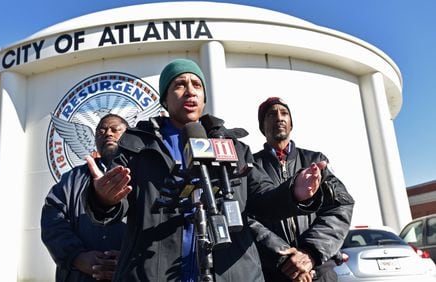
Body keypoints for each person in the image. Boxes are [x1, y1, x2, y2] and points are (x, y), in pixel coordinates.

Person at [84, 58, 328, 282]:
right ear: (164, 100)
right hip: (154, 272)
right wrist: (102, 199)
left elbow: (261, 199)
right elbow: (115, 204)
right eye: (180, 84)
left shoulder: (235, 148)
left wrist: (293, 193)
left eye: (196, 85)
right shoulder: (136, 146)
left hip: (231, 272)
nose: (190, 90)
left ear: (203, 98)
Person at [249, 97, 355, 282]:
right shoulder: (252, 166)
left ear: (291, 123)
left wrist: (310, 253)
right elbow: (247, 217)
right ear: (262, 126)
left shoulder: (315, 160)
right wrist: (285, 258)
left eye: (284, 113)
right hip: (276, 274)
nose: (279, 118)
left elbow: (341, 205)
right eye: (272, 114)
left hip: (320, 272)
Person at [41, 114, 129, 282]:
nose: (108, 134)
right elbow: (52, 220)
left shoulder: (144, 174)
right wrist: (76, 256)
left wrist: (131, 258)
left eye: (115, 129)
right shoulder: (72, 179)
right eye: (101, 131)